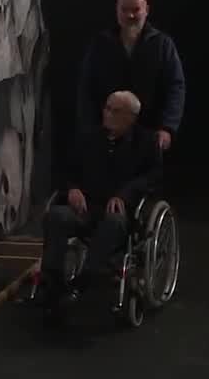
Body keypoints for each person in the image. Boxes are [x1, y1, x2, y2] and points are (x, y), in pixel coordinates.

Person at [40, 90, 163, 313]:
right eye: (106, 108)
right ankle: (52, 282)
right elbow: (64, 170)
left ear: (131, 117)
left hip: (121, 211)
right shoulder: (88, 138)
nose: (107, 114)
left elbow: (152, 178)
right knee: (56, 216)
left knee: (114, 222)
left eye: (115, 110)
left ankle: (85, 280)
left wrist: (124, 195)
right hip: (86, 206)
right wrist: (72, 188)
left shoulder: (146, 142)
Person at [77, 0, 185, 152]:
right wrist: (90, 128)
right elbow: (86, 87)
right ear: (117, 11)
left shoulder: (163, 44)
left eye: (136, 10)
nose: (130, 16)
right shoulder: (101, 43)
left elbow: (175, 87)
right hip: (107, 133)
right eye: (124, 10)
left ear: (146, 10)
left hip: (149, 132)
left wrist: (167, 127)